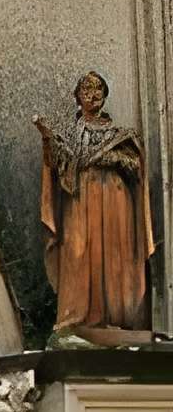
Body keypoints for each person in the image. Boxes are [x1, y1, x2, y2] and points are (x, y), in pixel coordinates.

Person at [37, 71, 154, 337]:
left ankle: (116, 316)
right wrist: (47, 139)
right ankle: (75, 317)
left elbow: (136, 167)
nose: (93, 93)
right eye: (87, 89)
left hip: (116, 199)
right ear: (77, 96)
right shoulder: (68, 134)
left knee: (114, 254)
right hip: (80, 200)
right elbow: (56, 166)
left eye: (98, 88)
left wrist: (112, 157)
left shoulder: (123, 134)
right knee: (78, 250)